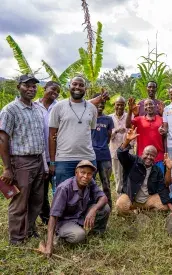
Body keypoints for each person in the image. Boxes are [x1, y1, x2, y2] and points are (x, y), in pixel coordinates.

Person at [0, 74, 46, 245]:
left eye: (34, 86)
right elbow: (3, 139)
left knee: (37, 199)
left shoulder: (36, 108)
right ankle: (17, 238)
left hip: (38, 160)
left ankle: (29, 230)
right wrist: (7, 168)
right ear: (18, 87)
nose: (31, 89)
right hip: (21, 162)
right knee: (20, 201)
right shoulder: (10, 110)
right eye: (27, 86)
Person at [42, 160, 110, 257]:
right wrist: (49, 245)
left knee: (105, 208)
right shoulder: (64, 188)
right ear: (76, 173)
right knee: (79, 235)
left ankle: (94, 235)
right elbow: (53, 216)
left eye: (89, 174)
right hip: (65, 222)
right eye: (83, 172)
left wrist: (93, 210)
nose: (86, 176)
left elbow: (103, 198)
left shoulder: (90, 182)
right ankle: (60, 238)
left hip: (80, 217)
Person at [115, 126, 172, 214]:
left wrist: (170, 205)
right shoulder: (133, 161)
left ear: (155, 158)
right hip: (131, 198)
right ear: (142, 154)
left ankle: (144, 212)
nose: (149, 157)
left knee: (164, 207)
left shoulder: (156, 170)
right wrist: (127, 141)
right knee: (120, 205)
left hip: (147, 199)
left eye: (152, 155)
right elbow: (121, 154)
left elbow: (162, 188)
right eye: (147, 154)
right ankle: (134, 215)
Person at [49, 76, 98, 186]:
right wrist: (52, 162)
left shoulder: (92, 108)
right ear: (69, 86)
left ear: (86, 88)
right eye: (74, 84)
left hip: (88, 158)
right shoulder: (58, 107)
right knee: (64, 193)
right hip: (64, 159)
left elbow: (91, 132)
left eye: (81, 85)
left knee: (87, 195)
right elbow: (52, 135)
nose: (78, 87)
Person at [34, 81, 61, 224]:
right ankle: (46, 219)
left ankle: (58, 218)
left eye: (58, 91)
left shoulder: (59, 106)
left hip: (57, 156)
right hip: (39, 156)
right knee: (41, 192)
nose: (55, 93)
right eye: (53, 89)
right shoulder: (33, 106)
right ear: (44, 88)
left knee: (58, 190)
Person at [126, 98, 165, 173]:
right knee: (143, 181)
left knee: (159, 180)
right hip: (143, 157)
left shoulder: (161, 119)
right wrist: (130, 110)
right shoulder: (139, 119)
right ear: (143, 108)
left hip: (159, 157)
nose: (148, 106)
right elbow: (127, 125)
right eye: (146, 105)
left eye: (150, 104)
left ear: (155, 106)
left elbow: (165, 136)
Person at [91, 97, 114, 208]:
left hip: (105, 155)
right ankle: (91, 205)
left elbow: (109, 136)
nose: (100, 105)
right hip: (91, 155)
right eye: (98, 103)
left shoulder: (108, 119)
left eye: (103, 103)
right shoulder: (89, 117)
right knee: (90, 182)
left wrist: (102, 145)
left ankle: (108, 206)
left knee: (106, 183)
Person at [109, 96, 128, 195]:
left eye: (122, 105)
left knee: (127, 174)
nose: (120, 107)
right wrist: (116, 131)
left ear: (125, 106)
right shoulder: (109, 118)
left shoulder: (129, 116)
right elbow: (108, 137)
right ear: (114, 105)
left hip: (127, 152)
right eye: (118, 104)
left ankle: (127, 197)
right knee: (117, 176)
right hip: (115, 151)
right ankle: (119, 197)